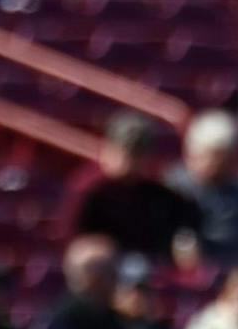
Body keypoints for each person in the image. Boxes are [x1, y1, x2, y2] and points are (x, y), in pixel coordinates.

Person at [64, 111, 200, 262]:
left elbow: (179, 231)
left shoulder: (157, 191)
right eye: (126, 151)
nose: (130, 161)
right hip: (103, 270)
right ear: (109, 149)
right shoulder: (90, 188)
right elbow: (70, 240)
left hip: (148, 267)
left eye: (138, 153)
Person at [166, 111, 238, 268]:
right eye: (215, 158)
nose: (222, 167)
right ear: (193, 154)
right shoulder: (174, 189)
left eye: (229, 159)